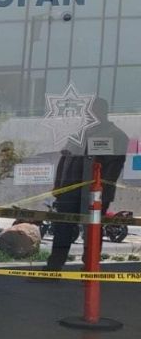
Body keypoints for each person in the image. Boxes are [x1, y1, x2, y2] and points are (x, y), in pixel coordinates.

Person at [44, 98, 127, 273]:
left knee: (92, 231)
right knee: (62, 228)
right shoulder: (80, 133)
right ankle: (54, 266)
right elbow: (64, 159)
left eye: (93, 110)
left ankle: (90, 268)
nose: (89, 114)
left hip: (94, 193)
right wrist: (59, 186)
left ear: (102, 112)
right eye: (88, 111)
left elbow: (113, 169)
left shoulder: (116, 135)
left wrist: (100, 192)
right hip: (70, 191)